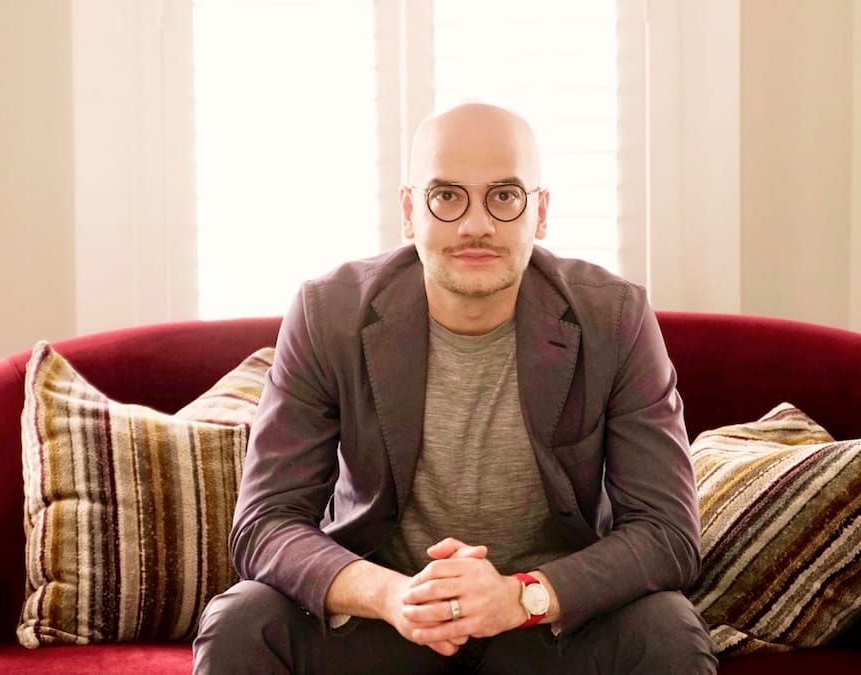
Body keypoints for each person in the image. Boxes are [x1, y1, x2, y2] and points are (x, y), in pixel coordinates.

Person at [192, 102, 716, 674]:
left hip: (546, 623)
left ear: (539, 213)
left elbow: (667, 533)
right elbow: (265, 522)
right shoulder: (328, 312)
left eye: (505, 196)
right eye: (446, 196)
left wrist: (520, 597)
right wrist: (392, 596)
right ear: (409, 210)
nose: (475, 225)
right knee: (243, 620)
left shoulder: (615, 317)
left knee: (666, 628)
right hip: (383, 620)